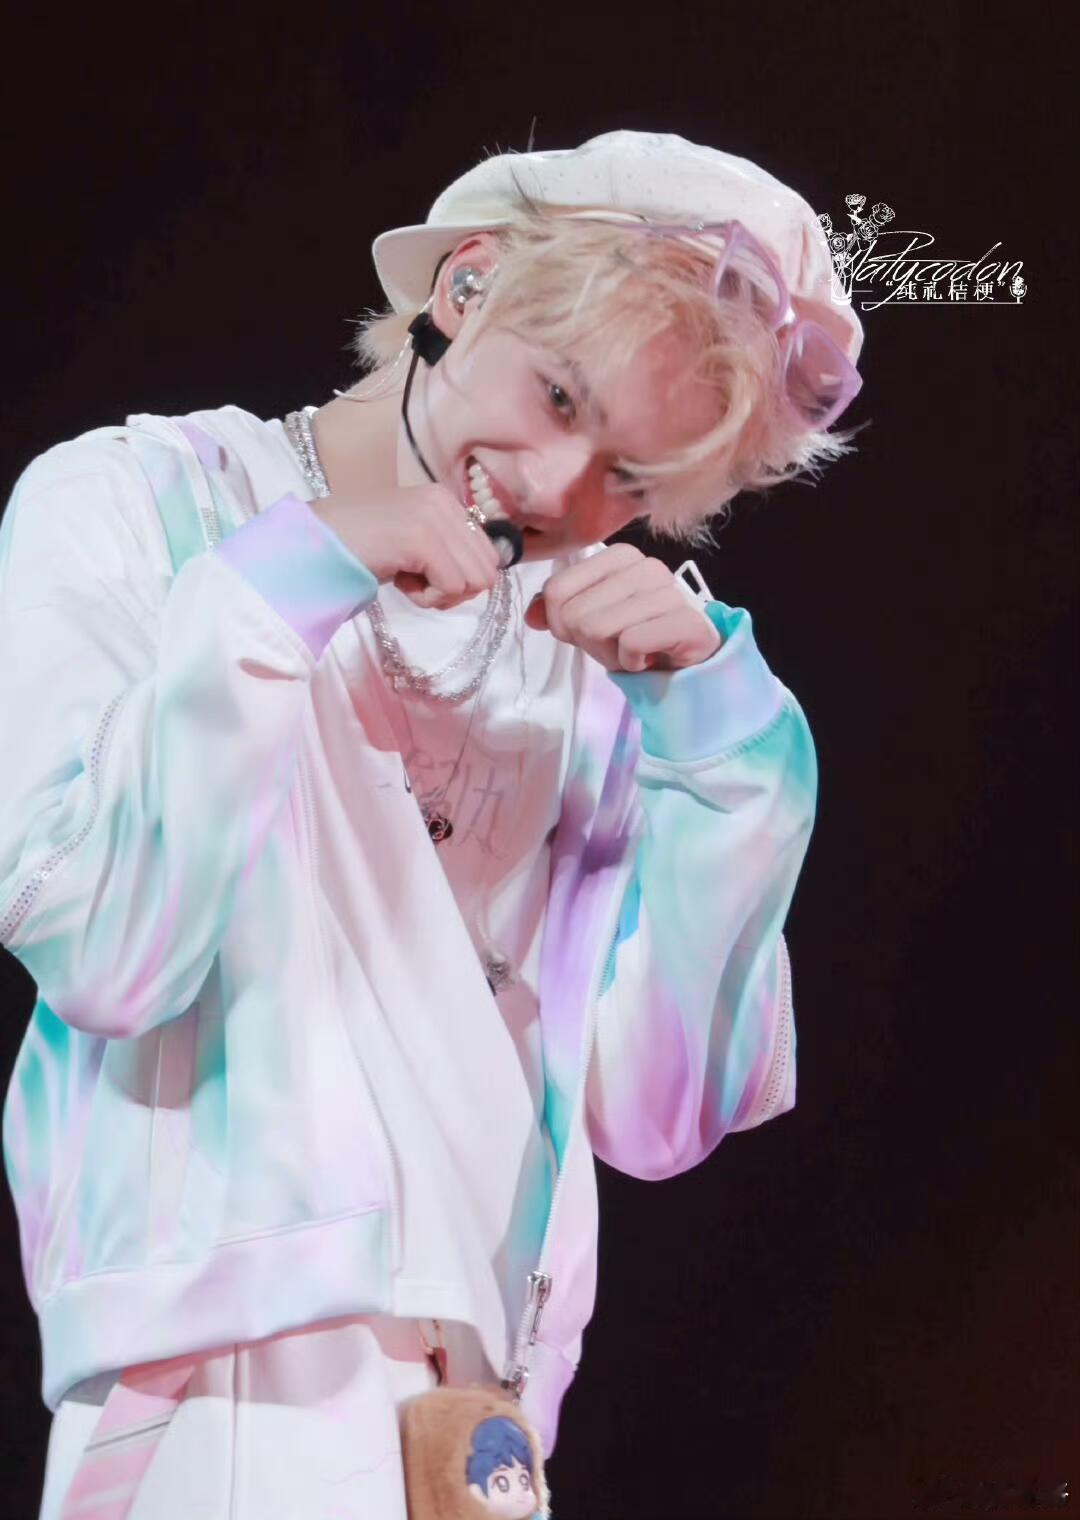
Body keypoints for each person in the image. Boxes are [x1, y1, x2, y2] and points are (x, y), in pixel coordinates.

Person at [0, 129, 865, 1518]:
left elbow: (655, 1110)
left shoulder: (594, 662)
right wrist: (287, 581)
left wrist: (722, 749)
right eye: (559, 394)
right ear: (467, 285)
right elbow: (101, 946)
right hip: (218, 1374)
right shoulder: (140, 504)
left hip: (484, 1417)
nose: (560, 490)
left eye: (632, 481)